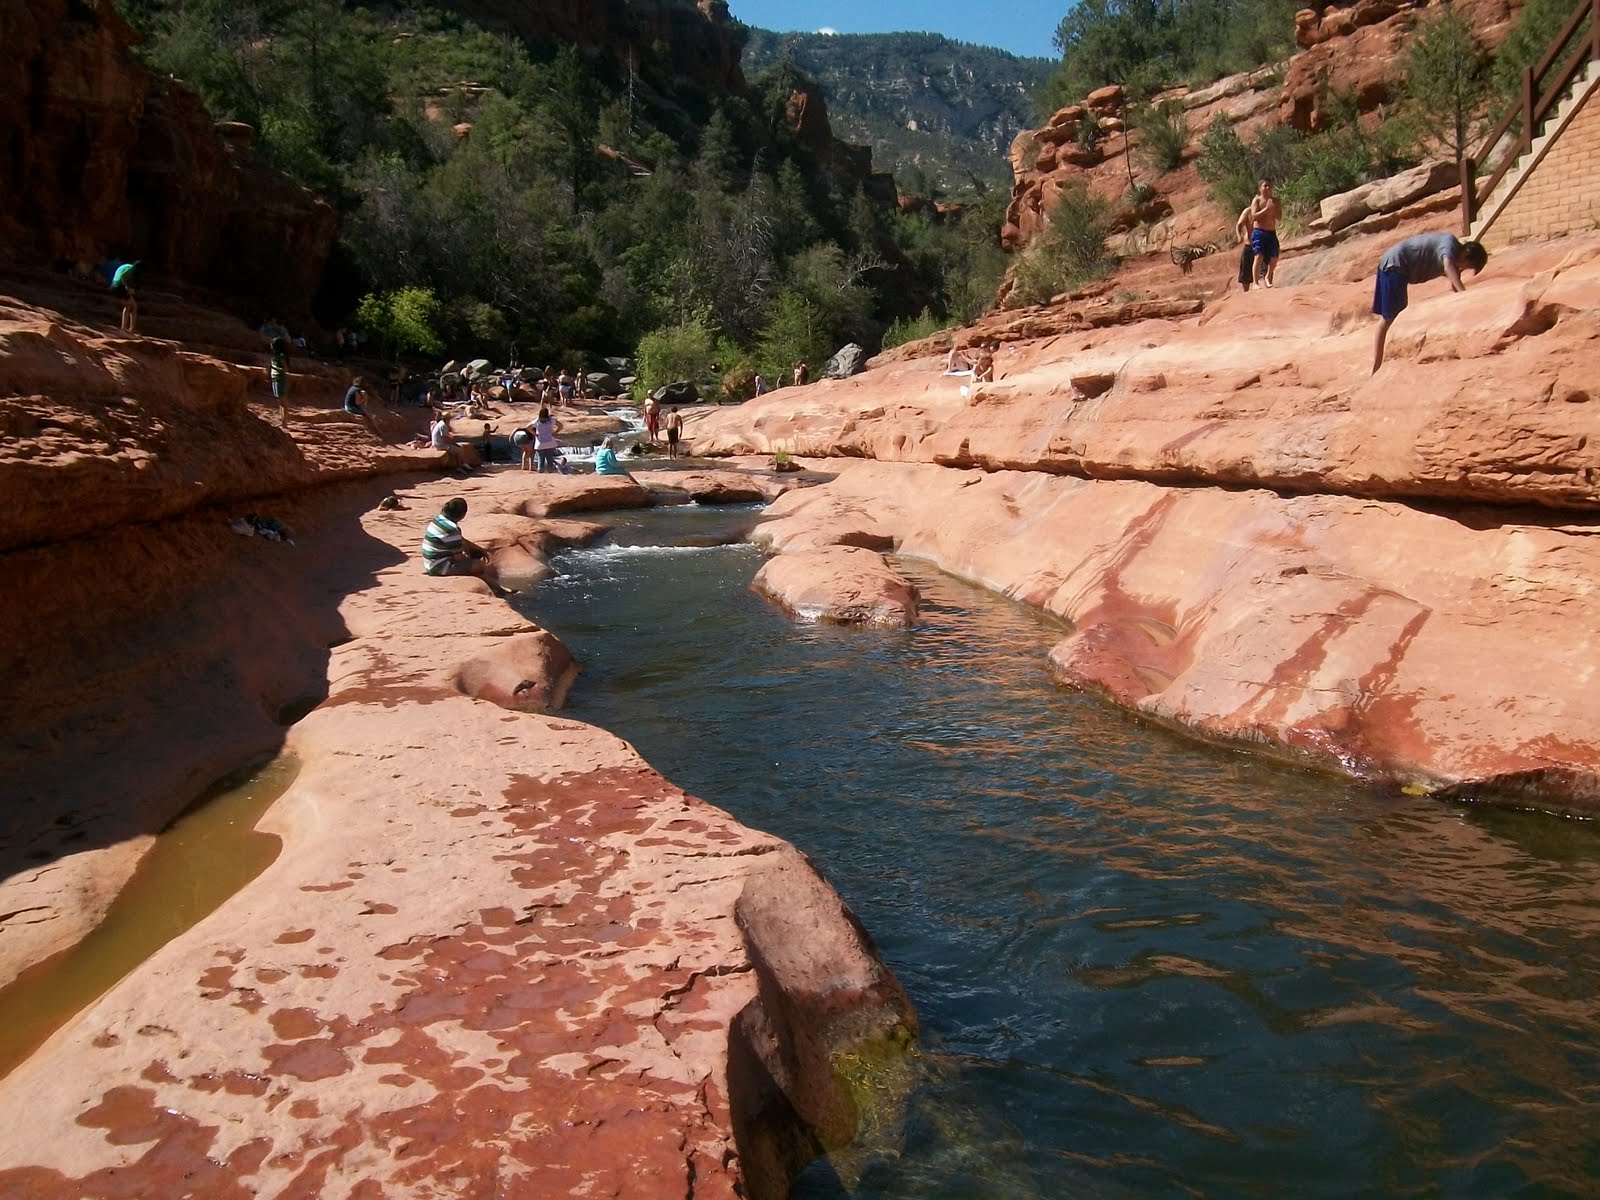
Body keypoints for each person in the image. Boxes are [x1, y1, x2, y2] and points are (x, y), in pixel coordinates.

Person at [1371, 232, 1489, 373]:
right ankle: (1376, 368)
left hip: (1393, 264)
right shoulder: (1449, 243)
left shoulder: (1453, 259)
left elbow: (1454, 283)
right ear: (1466, 255)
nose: (1463, 269)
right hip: (1396, 265)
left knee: (1389, 317)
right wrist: (1466, 295)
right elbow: (1447, 267)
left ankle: (1377, 366)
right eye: (1467, 266)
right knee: (1390, 318)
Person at [420, 498, 511, 596]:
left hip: (431, 563)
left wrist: (479, 549)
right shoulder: (451, 529)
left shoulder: (439, 519)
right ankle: (497, 587)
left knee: (473, 563)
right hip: (440, 567)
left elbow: (461, 540)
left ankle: (496, 587)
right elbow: (458, 558)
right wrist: (471, 562)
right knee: (479, 565)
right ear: (462, 514)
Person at [1248, 179, 1281, 288]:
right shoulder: (1257, 200)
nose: (1267, 188)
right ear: (1260, 188)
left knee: (1274, 256)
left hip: (1271, 232)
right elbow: (1254, 216)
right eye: (1265, 186)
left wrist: (1274, 209)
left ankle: (1268, 275)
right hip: (1259, 231)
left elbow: (1279, 217)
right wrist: (1266, 209)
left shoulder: (1275, 201)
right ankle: (1256, 282)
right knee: (1258, 256)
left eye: (1269, 186)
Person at [1234, 203, 1257, 294]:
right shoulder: (1248, 211)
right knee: (1245, 271)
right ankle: (1245, 293)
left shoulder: (1263, 210)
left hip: (1260, 243)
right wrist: (1239, 236)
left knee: (1262, 268)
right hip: (1249, 244)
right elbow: (1238, 225)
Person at [532, 406, 563, 472]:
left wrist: (534, 433)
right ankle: (550, 472)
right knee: (550, 460)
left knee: (540, 459)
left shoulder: (537, 421)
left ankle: (540, 472)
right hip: (550, 443)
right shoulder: (551, 420)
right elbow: (560, 425)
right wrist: (556, 432)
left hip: (540, 444)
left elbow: (528, 427)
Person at [111, 260, 139, 333]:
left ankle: (124, 327)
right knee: (134, 306)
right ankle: (131, 328)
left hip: (114, 285)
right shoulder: (132, 269)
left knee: (128, 306)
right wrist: (127, 287)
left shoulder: (127, 266)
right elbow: (123, 276)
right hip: (120, 286)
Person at [268, 336, 289, 427]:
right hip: (275, 378)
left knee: (282, 400)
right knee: (279, 400)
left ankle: (284, 422)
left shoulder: (281, 356)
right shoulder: (274, 356)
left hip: (280, 378)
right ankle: (282, 420)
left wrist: (274, 368)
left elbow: (286, 369)